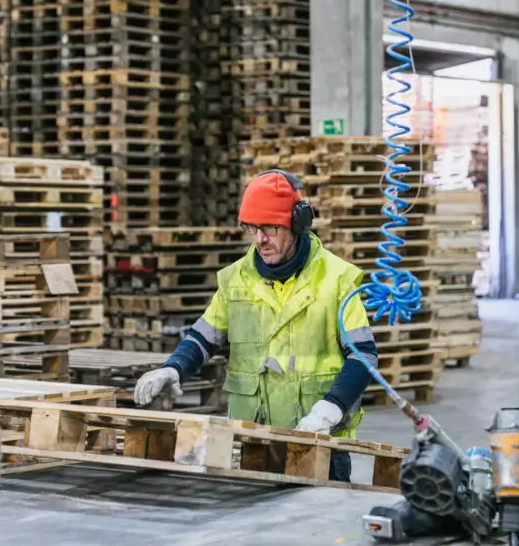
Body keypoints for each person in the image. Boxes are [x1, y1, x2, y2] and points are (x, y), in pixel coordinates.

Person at [132, 169, 378, 483]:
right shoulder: (236, 279)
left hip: (318, 442)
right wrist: (174, 368)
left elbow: (364, 355)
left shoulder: (336, 280)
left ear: (297, 223)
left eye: (271, 228)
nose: (260, 239)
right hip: (252, 443)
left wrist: (331, 408)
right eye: (253, 228)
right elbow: (204, 336)